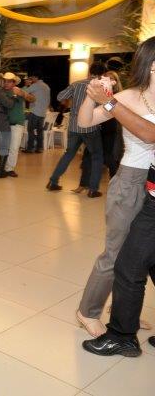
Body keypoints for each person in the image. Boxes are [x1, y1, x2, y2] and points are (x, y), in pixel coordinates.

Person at [81, 37, 155, 356]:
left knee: (143, 256)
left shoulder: (120, 100)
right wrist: (92, 96)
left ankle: (124, 312)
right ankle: (88, 311)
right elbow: (86, 121)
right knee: (116, 252)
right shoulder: (127, 96)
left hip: (153, 183)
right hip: (131, 181)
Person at [47, 62, 107, 197]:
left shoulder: (76, 84)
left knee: (68, 154)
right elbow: (107, 105)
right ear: (102, 74)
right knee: (97, 156)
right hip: (91, 126)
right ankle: (93, 189)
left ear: (89, 71)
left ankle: (53, 181)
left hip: (74, 126)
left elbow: (60, 97)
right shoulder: (101, 87)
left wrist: (72, 99)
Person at [74, 71, 124, 193]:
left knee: (109, 158)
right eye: (105, 78)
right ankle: (84, 184)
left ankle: (114, 185)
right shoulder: (98, 93)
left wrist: (106, 99)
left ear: (115, 82)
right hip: (95, 127)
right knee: (88, 155)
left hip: (110, 129)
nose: (107, 81)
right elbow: (86, 117)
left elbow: (112, 110)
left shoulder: (119, 96)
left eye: (110, 79)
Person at [1, 72, 35, 177]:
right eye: (5, 81)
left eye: (9, 81)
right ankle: (2, 166)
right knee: (2, 146)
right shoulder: (0, 92)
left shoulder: (18, 91)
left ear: (14, 82)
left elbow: (33, 99)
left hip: (17, 124)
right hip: (3, 124)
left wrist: (23, 94)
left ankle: (9, 168)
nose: (6, 83)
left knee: (14, 147)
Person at [23, 73, 51, 153]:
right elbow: (48, 100)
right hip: (43, 112)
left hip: (35, 111)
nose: (31, 80)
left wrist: (27, 85)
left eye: (32, 78)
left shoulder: (35, 85)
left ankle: (30, 148)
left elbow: (24, 92)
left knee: (30, 130)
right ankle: (40, 148)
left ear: (36, 77)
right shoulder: (47, 86)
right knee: (40, 131)